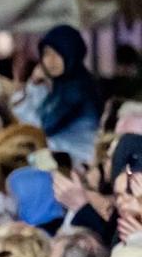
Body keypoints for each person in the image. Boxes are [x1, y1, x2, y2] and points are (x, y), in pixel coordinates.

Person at [33, 25, 102, 163]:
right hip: (68, 160)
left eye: (58, 53)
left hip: (79, 163)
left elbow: (44, 127)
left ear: (71, 53)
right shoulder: (62, 86)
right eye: (46, 53)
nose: (51, 60)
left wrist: (34, 87)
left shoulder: (77, 88)